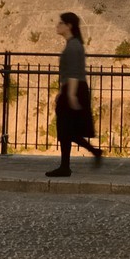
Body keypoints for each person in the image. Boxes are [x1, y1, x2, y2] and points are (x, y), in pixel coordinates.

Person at [46, 11, 103, 177]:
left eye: (60, 23)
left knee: (66, 129)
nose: (57, 26)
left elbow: (73, 73)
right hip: (72, 88)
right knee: (68, 130)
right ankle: (92, 153)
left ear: (68, 25)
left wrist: (69, 94)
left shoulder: (73, 46)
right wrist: (61, 92)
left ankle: (67, 166)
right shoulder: (74, 44)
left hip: (74, 89)